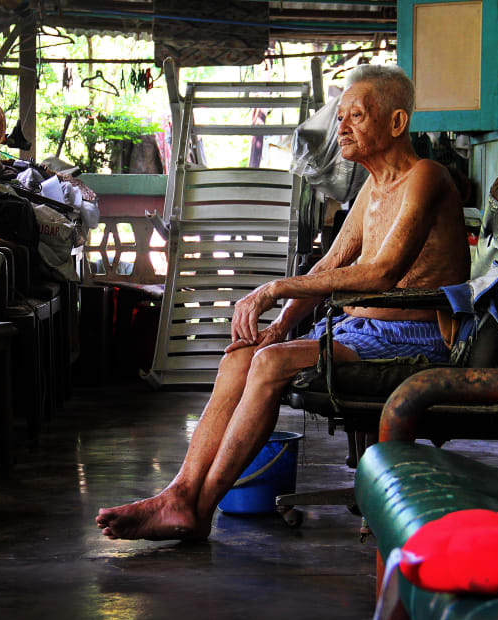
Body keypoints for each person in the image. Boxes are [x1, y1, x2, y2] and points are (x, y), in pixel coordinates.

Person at [96, 64, 471, 541]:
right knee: (241, 357)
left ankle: (197, 509)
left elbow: (383, 273)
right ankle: (180, 493)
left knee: (270, 363)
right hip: (357, 332)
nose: (342, 127)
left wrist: (275, 290)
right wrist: (279, 326)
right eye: (340, 116)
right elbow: (328, 266)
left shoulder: (426, 176)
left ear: (397, 122)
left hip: (412, 339)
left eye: (356, 115)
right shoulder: (372, 189)